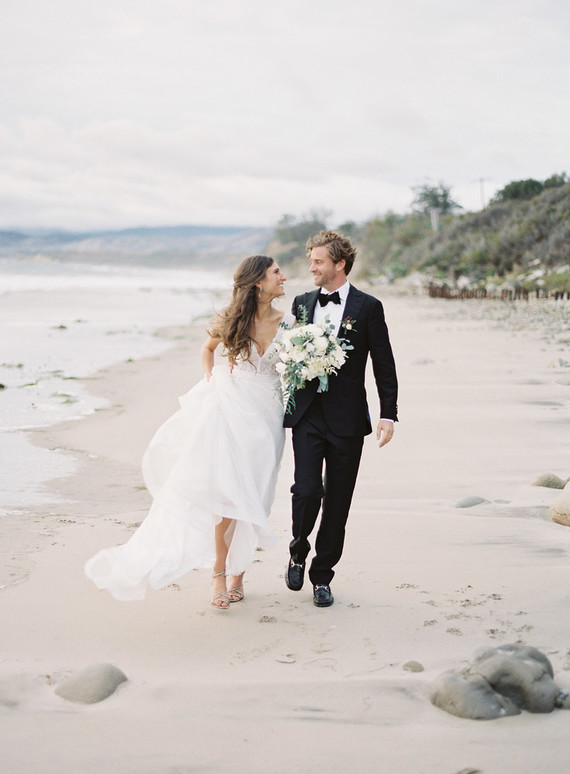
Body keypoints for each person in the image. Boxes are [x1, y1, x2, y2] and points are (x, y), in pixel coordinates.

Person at [85, 255, 291, 608]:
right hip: (231, 408)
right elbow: (208, 350)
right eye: (276, 273)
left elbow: (292, 365)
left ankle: (240, 574)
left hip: (268, 413)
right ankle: (219, 575)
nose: (283, 277)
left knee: (257, 493)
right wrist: (212, 381)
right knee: (228, 495)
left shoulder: (288, 323)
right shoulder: (233, 319)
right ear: (258, 282)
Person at [283, 230, 398, 607]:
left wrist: (388, 414)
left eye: (318, 261)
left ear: (339, 264)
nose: (311, 267)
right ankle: (298, 549)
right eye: (311, 260)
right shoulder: (301, 303)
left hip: (349, 420)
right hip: (308, 415)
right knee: (306, 490)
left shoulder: (368, 307)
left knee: (338, 502)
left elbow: (383, 362)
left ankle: (321, 576)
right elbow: (289, 353)